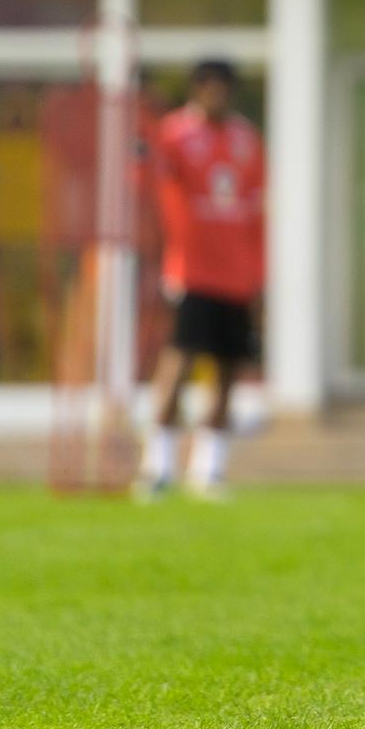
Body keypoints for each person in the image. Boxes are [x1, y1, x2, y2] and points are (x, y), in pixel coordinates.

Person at [132, 60, 265, 501]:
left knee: (227, 372)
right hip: (191, 271)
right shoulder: (174, 134)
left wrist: (258, 274)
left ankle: (208, 471)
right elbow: (148, 175)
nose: (216, 95)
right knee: (180, 362)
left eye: (223, 87)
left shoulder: (247, 141)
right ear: (196, 90)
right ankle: (157, 466)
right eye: (208, 87)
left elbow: (256, 211)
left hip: (237, 275)